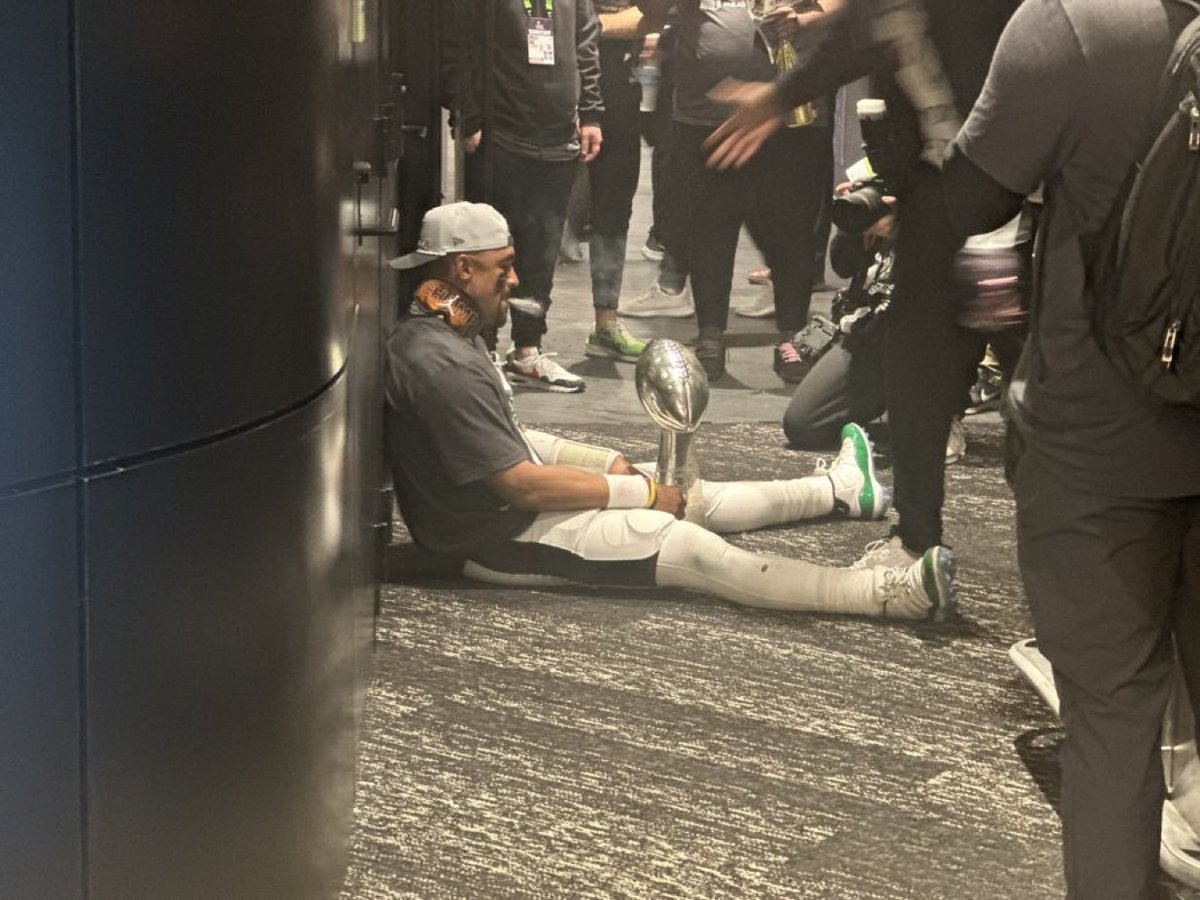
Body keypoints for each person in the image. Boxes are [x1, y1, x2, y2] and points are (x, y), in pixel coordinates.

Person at [385, 202, 958, 621]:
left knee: (680, 490)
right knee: (686, 545)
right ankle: (890, 595)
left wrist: (603, 461)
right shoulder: (440, 361)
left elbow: (509, 437)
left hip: (510, 511)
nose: (512, 279)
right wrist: (640, 495)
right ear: (461, 270)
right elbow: (521, 486)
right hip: (494, 537)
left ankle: (838, 491)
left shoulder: (449, 335)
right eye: (501, 266)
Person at [701, 0, 1019, 566]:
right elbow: (866, 28)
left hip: (1026, 199)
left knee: (1048, 405)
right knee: (912, 366)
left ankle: (1089, 581)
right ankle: (916, 542)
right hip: (941, 202)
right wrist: (780, 96)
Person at [626, 0, 837, 382]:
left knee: (791, 232)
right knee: (709, 229)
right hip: (703, 117)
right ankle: (710, 337)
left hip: (788, 118)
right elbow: (651, 10)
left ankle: (792, 336)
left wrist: (803, 19)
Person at [444, 0, 604, 393]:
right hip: (501, 131)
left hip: (558, 134)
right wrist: (469, 112)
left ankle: (528, 350)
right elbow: (459, 41)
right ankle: (485, 352)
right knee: (491, 250)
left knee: (543, 250)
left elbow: (586, 42)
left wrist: (593, 112)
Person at [579, 1, 655, 364]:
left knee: (613, 213)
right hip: (553, 89)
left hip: (620, 95)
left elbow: (650, 17)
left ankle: (606, 324)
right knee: (537, 214)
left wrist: (586, 25)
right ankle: (525, 339)